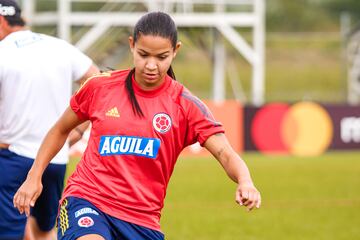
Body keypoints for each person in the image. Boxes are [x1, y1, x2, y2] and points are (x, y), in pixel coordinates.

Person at [13, 11, 261, 240]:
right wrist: (34, 176)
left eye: (161, 57)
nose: (151, 65)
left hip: (142, 219)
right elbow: (60, 129)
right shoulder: (100, 87)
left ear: (175, 51)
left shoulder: (185, 105)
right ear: (132, 45)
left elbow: (224, 152)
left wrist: (245, 181)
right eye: (143, 54)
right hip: (87, 200)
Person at [0, 0, 99, 239]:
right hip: (55, 159)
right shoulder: (59, 47)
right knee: (45, 231)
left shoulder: (3, 53)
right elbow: (97, 82)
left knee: (8, 232)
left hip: (13, 158)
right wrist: (76, 132)